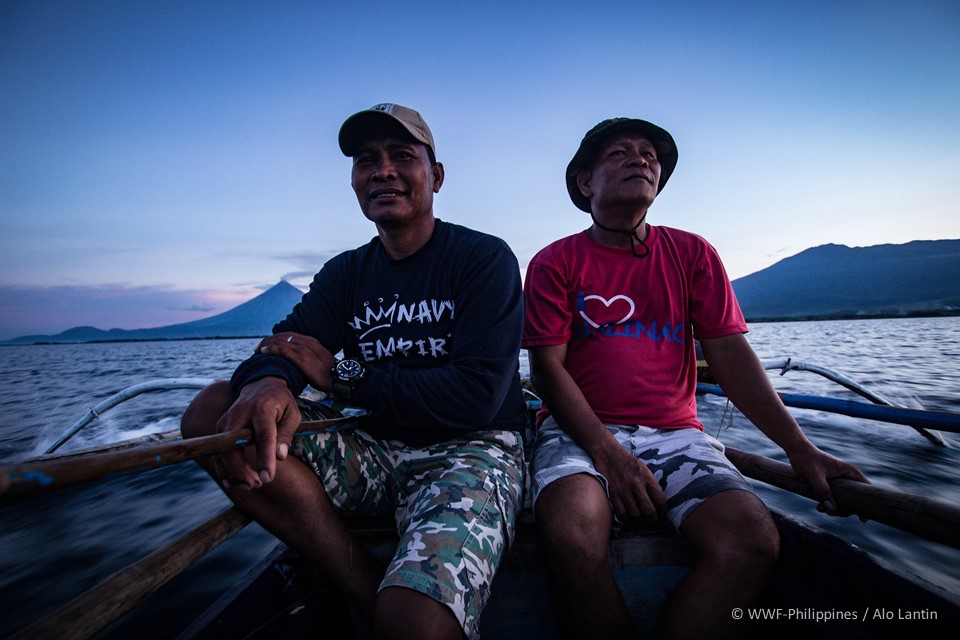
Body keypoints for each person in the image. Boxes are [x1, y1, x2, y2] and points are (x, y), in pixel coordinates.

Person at [181, 103, 527, 640]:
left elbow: (475, 396)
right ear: (354, 181)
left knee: (414, 623)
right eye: (367, 160)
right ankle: (356, 577)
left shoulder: (483, 259)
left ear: (435, 176)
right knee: (213, 413)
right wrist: (271, 383)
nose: (382, 169)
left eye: (402, 156)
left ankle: (395, 606)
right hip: (370, 446)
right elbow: (286, 345)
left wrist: (343, 374)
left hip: (473, 448)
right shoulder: (345, 273)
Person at [521, 117, 868, 639]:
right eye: (620, 153)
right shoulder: (555, 262)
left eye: (649, 155)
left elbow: (730, 356)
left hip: (677, 434)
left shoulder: (692, 254)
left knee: (752, 539)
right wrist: (609, 453)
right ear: (584, 182)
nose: (641, 159)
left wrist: (800, 449)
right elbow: (546, 369)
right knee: (570, 532)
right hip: (578, 432)